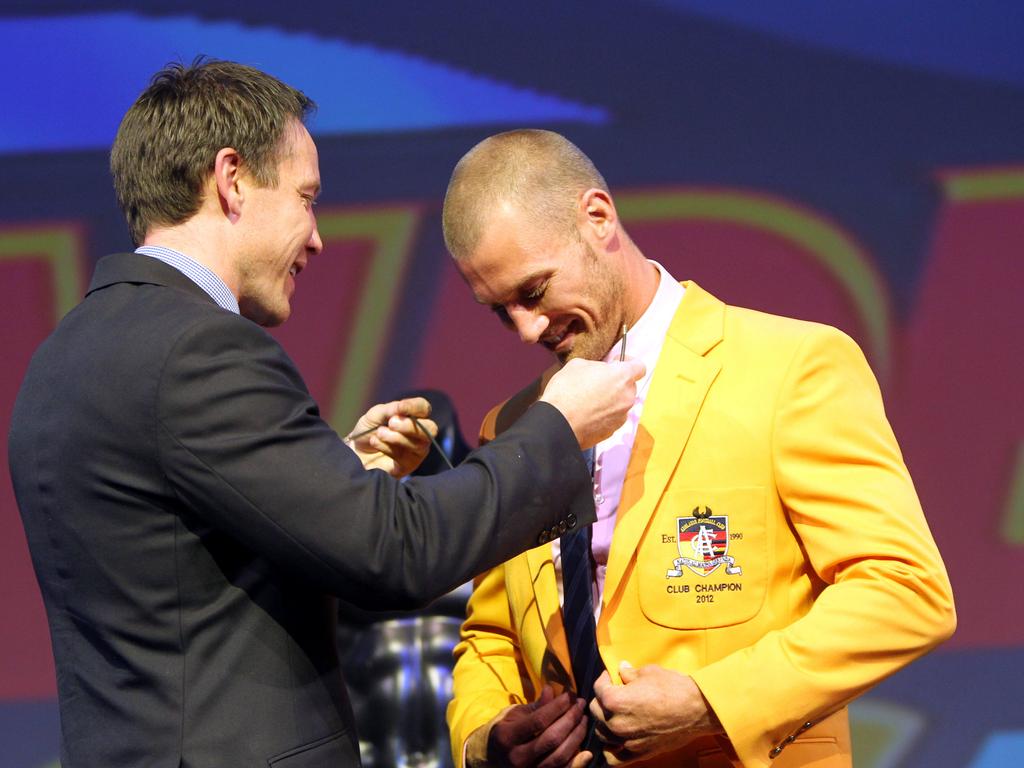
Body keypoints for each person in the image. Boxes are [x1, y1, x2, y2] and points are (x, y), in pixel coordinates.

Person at [6, 64, 645, 768]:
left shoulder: (63, 357)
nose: (316, 238)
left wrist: (338, 479)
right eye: (306, 199)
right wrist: (554, 430)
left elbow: (185, 576)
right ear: (232, 179)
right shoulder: (200, 349)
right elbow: (393, 555)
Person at [441, 129, 956, 768]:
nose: (525, 329)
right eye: (499, 310)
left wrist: (713, 700)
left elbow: (906, 590)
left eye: (534, 291)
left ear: (597, 218)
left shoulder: (791, 367)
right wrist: (486, 738)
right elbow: (491, 635)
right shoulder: (516, 424)